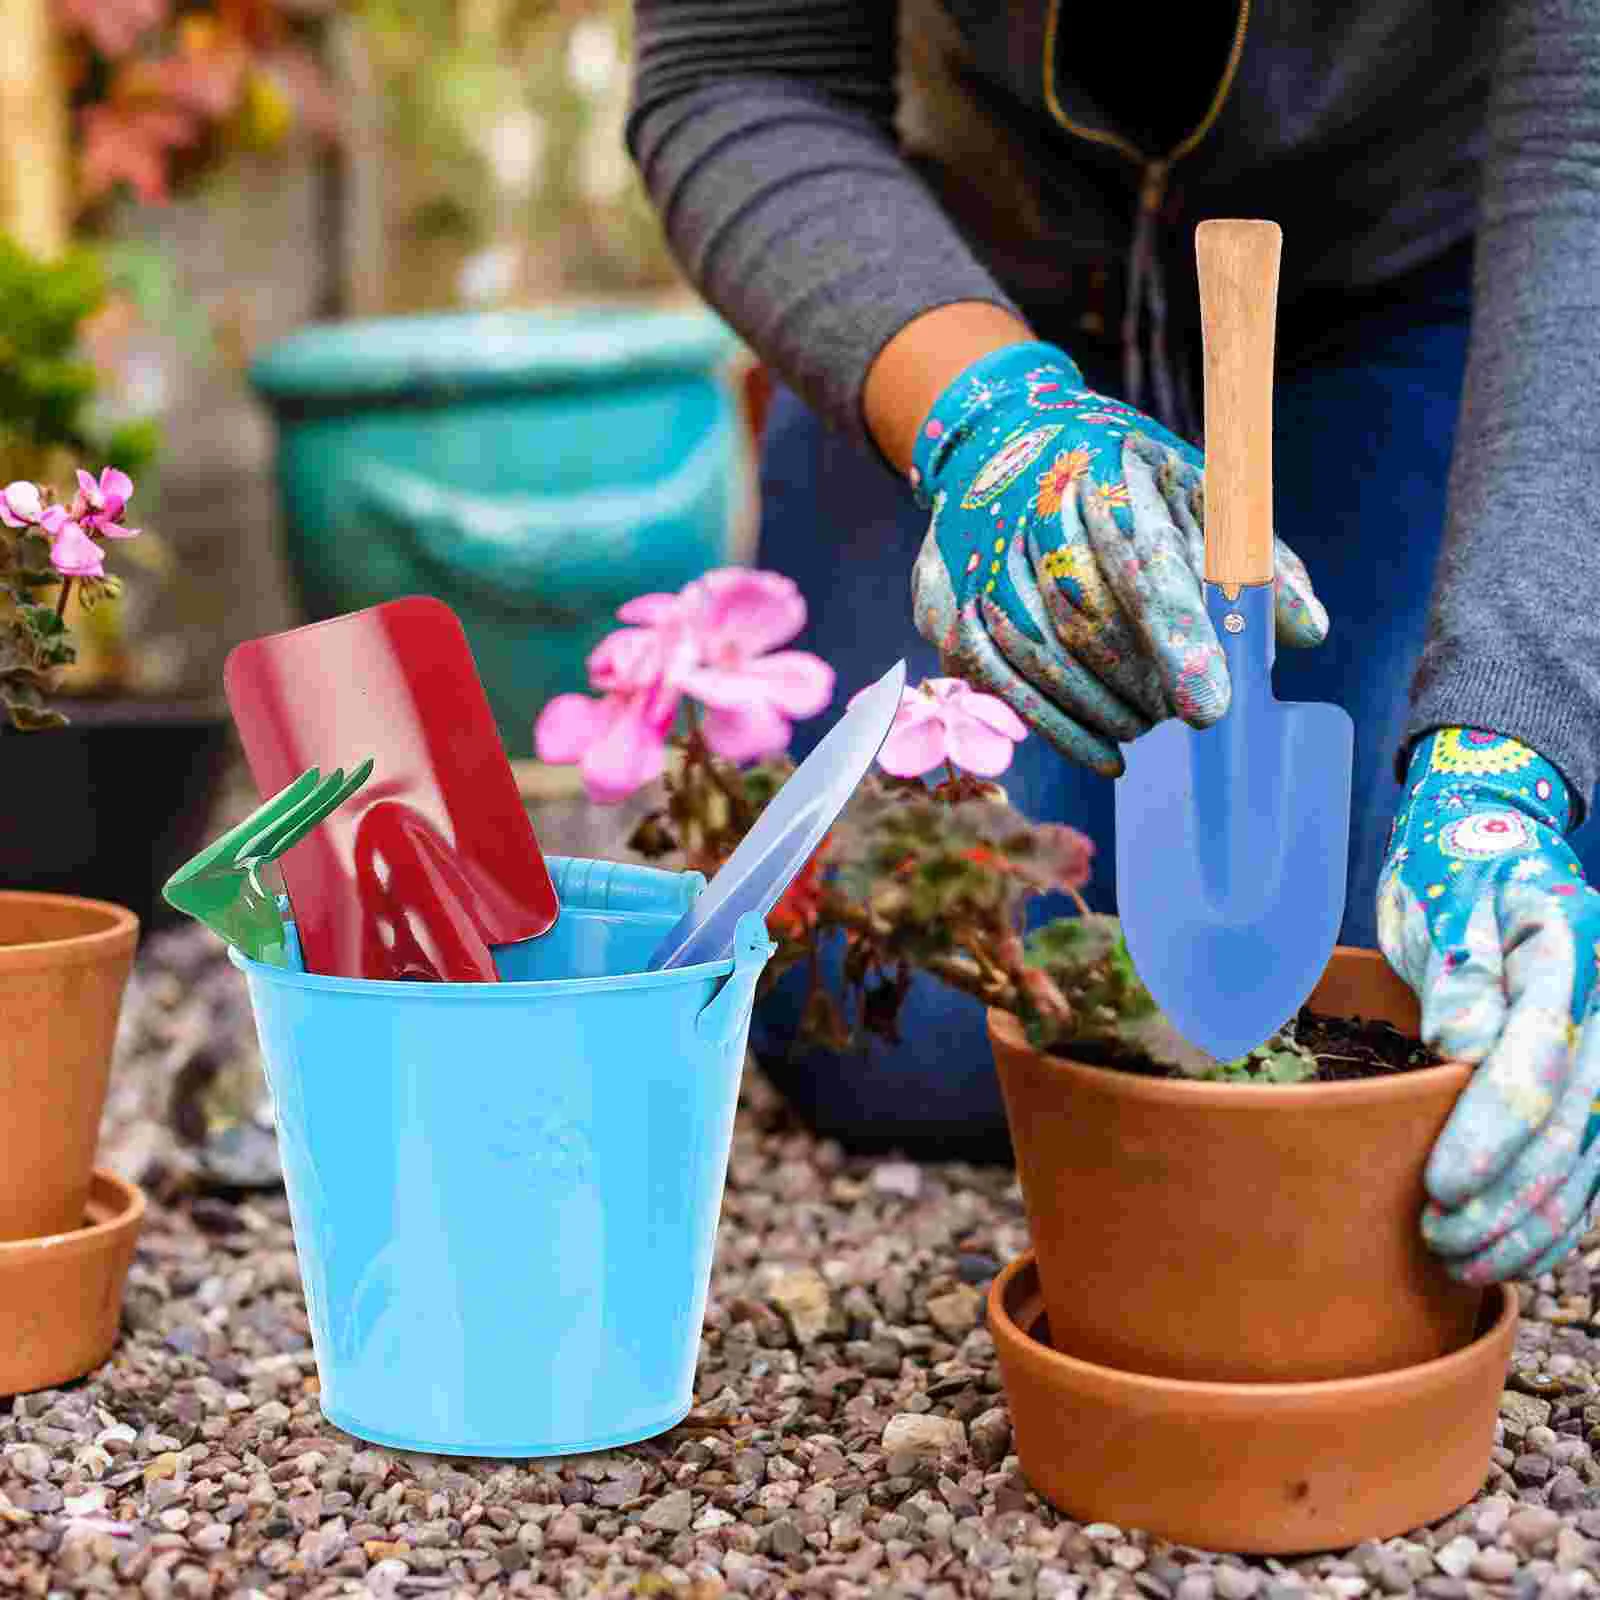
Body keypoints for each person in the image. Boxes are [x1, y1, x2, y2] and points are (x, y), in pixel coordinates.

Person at [625, 1, 1600, 1284]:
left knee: (1416, 999)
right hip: (963, 291)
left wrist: (1505, 750)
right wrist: (986, 414)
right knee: (907, 1021)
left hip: (1414, 304)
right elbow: (739, 74)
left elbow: (1579, 153)